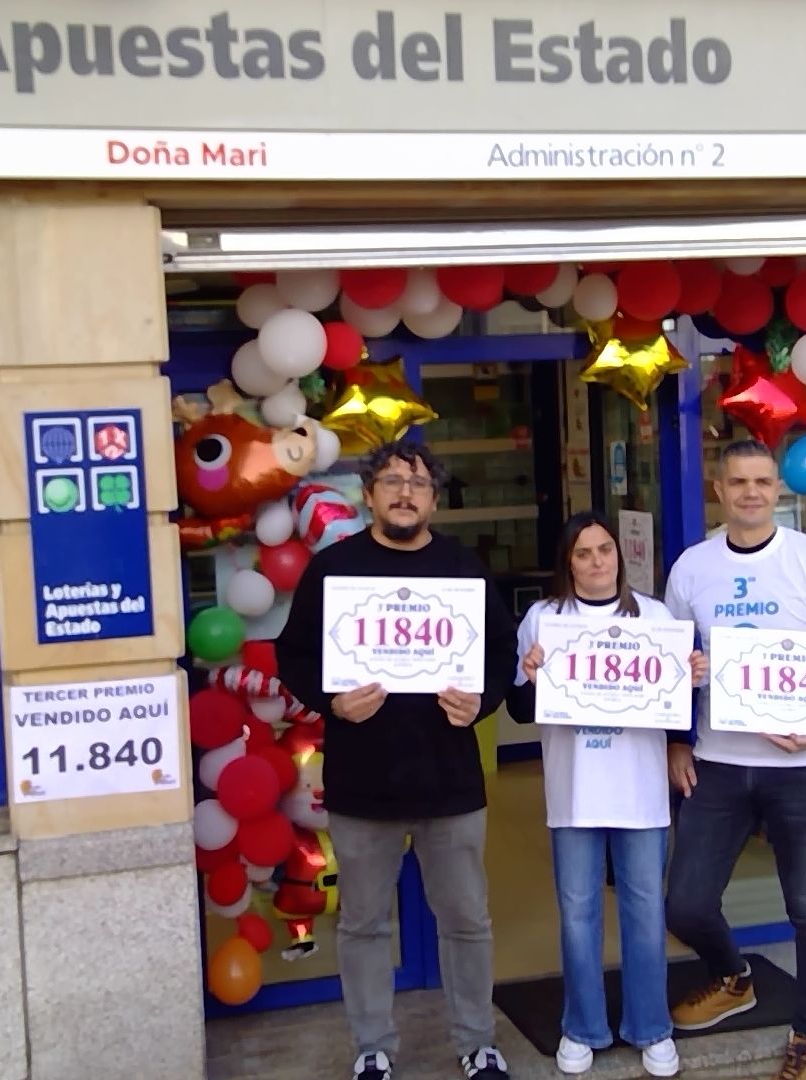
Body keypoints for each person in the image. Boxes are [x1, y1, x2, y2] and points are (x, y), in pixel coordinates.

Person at [275, 439, 520, 1080]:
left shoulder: (464, 568)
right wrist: (331, 702)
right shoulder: (334, 570)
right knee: (361, 924)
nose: (404, 493)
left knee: (467, 920)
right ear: (370, 494)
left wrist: (482, 703)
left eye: (416, 483)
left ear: (434, 498)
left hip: (450, 781)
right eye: (391, 481)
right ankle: (373, 1048)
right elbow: (292, 655)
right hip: (363, 780)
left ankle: (476, 1041)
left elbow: (500, 656)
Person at [660, 440, 806, 1080]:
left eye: (762, 481)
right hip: (718, 762)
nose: (751, 492)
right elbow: (674, 661)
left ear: (779, 489)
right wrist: (676, 739)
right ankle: (733, 977)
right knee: (687, 903)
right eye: (738, 482)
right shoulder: (691, 568)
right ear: (719, 489)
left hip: (804, 770)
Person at [507, 512, 704, 1078]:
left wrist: (689, 677)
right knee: (577, 913)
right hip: (574, 791)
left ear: (620, 555)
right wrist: (531, 671)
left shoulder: (655, 616)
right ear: (567, 562)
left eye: (606, 550)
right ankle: (582, 1027)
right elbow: (521, 709)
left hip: (640, 792)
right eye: (584, 553)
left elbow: (676, 707)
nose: (598, 561)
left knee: (645, 910)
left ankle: (651, 1028)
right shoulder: (545, 619)